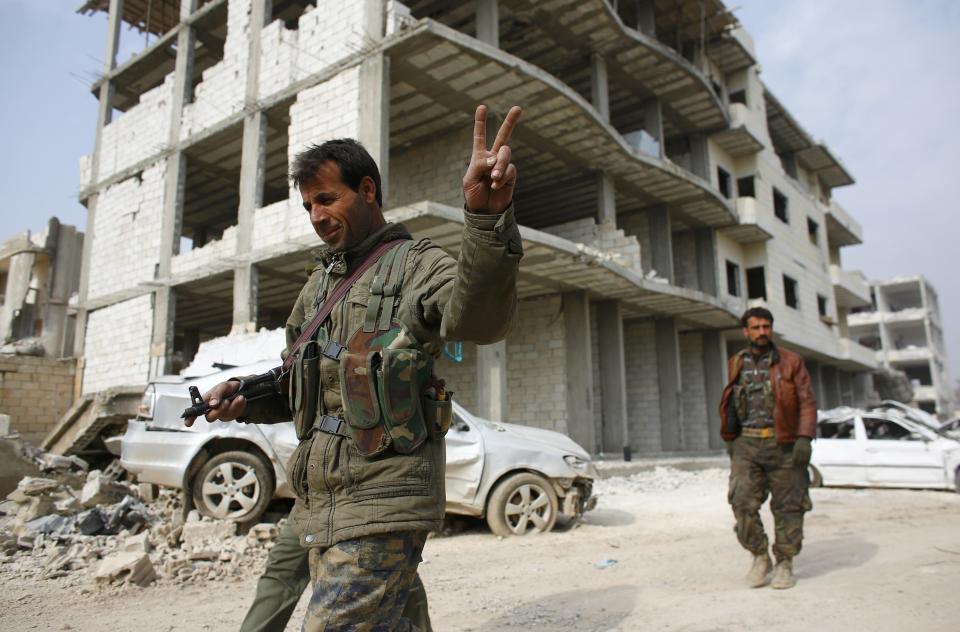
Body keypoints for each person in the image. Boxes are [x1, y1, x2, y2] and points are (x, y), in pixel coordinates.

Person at [186, 103, 523, 630]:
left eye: (327, 198)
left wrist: (484, 219)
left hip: (383, 496)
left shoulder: (417, 264)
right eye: (307, 206)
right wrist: (242, 398)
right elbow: (298, 385)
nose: (317, 215)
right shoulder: (317, 287)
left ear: (367, 191)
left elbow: (479, 320)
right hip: (322, 493)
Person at [719, 306, 816, 590]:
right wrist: (730, 439)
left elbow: (807, 400)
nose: (762, 332)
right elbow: (732, 402)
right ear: (746, 331)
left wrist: (804, 436)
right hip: (746, 443)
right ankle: (760, 556)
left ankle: (785, 561)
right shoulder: (736, 361)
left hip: (782, 443)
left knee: (789, 507)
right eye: (757, 327)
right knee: (741, 502)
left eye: (767, 326)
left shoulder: (791, 361)